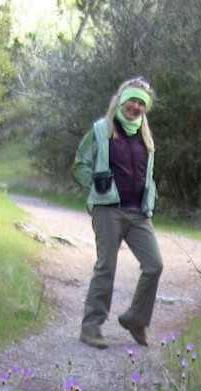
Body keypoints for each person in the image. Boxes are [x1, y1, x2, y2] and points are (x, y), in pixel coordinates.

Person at [73, 77, 163, 349]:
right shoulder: (102, 130)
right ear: (122, 100)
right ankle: (91, 328)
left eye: (141, 103)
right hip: (108, 210)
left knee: (154, 265)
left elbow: (148, 174)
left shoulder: (146, 136)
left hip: (138, 213)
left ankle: (135, 319)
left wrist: (152, 195)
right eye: (132, 100)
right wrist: (98, 183)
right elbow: (80, 164)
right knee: (106, 268)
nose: (135, 106)